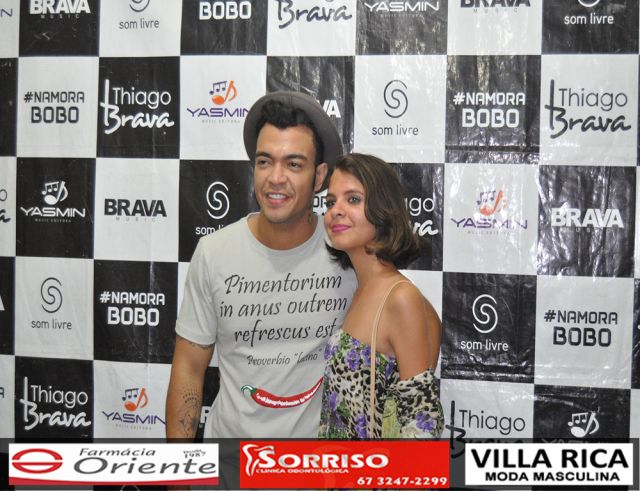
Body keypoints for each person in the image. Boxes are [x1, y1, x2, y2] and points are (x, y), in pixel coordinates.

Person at [165, 92, 356, 447]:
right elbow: (189, 369)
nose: (275, 178)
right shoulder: (213, 253)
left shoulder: (348, 252)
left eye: (294, 164)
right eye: (265, 161)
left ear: (319, 177)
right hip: (229, 465)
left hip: (315, 468)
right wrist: (181, 469)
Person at [318, 153, 444, 439]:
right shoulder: (361, 290)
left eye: (353, 199)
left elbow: (421, 422)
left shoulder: (400, 297)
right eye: (330, 202)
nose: (336, 210)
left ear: (383, 209)